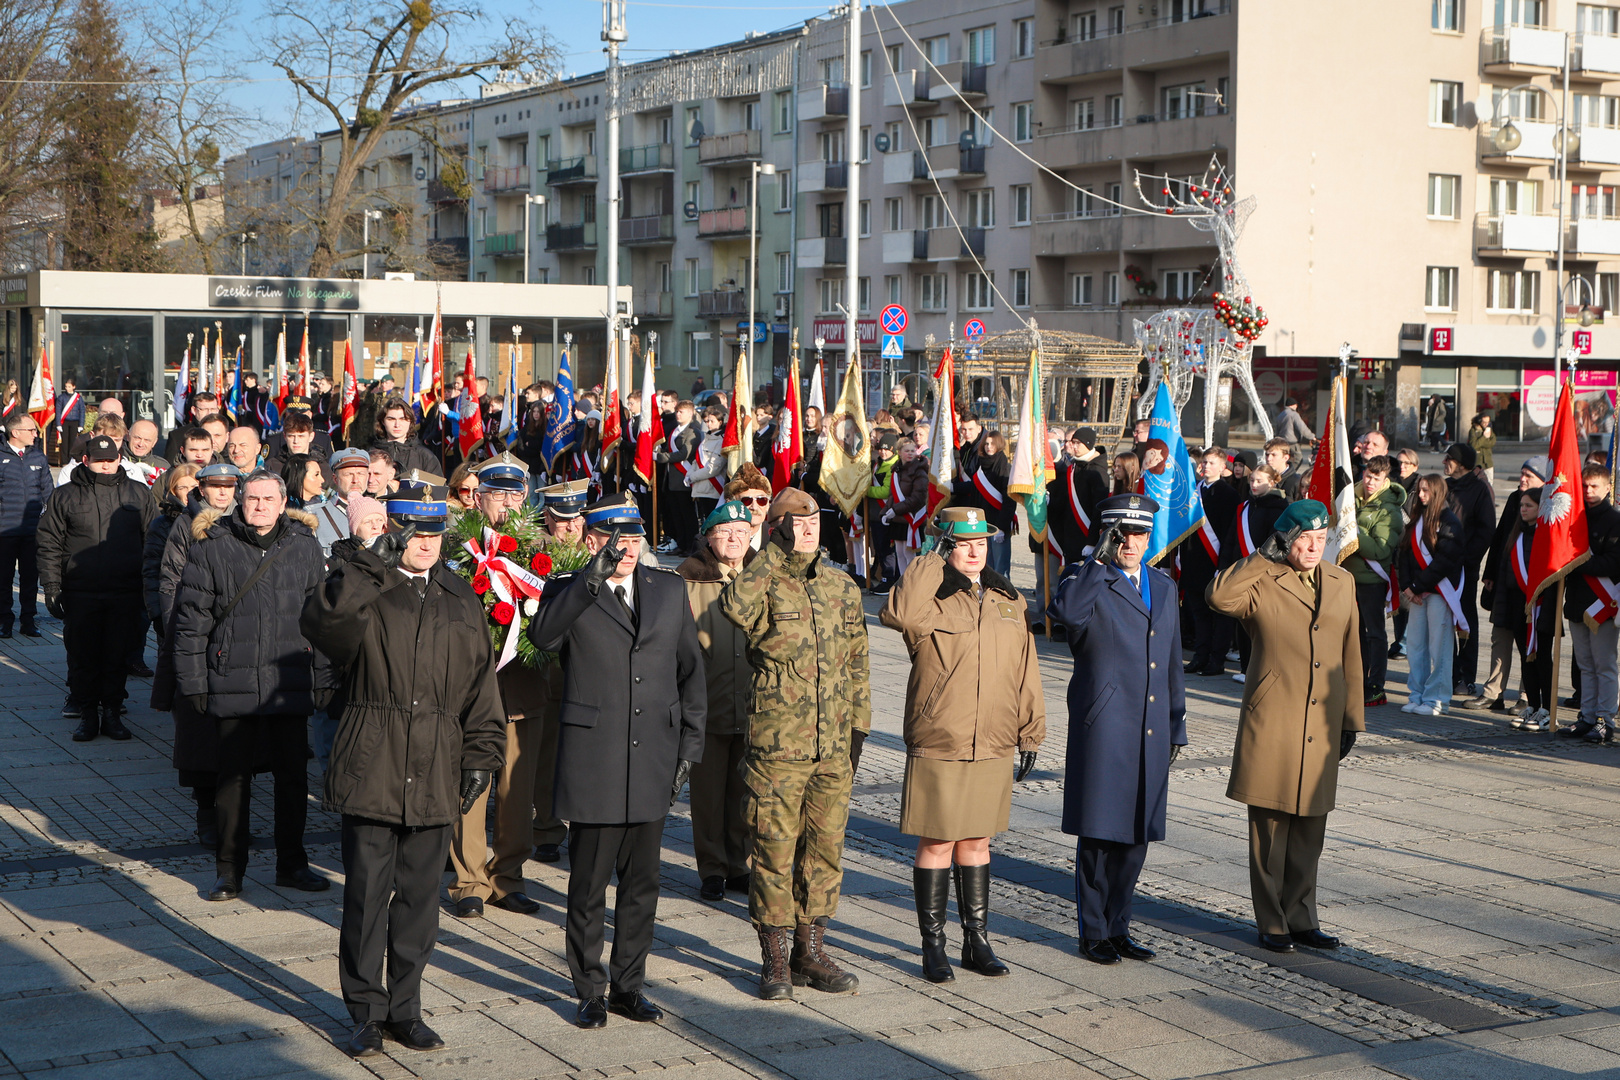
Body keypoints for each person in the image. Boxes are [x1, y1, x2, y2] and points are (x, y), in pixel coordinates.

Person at [299, 486, 505, 1059]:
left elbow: (481, 688)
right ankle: (364, 1012)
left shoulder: (461, 597)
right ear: (395, 531)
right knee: (366, 898)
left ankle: (405, 1009)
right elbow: (324, 622)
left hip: (437, 765)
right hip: (374, 762)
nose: (426, 545)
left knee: (419, 899)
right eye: (415, 533)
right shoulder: (367, 586)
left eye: (435, 534)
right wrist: (370, 563)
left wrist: (483, 755)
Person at [528, 494, 705, 1028]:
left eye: (632, 539)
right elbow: (543, 637)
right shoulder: (569, 591)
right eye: (613, 538)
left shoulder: (668, 587)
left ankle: (629, 985)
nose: (625, 548)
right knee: (587, 885)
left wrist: (690, 747)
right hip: (596, 759)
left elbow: (689, 670)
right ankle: (589, 987)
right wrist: (590, 579)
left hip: (653, 754)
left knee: (642, 884)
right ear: (591, 540)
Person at [881, 506, 1045, 982]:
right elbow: (899, 613)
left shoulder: (1007, 596)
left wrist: (1030, 728)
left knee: (977, 840)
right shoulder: (929, 596)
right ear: (945, 546)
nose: (975, 552)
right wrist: (931, 557)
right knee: (937, 840)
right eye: (962, 544)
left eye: (981, 543)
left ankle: (977, 940)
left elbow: (1025, 667)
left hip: (993, 738)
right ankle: (933, 946)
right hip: (941, 735)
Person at [720, 488, 870, 1000]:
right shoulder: (762, 581)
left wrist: (859, 732)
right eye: (796, 524)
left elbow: (857, 663)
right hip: (778, 748)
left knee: (825, 852)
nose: (809, 530)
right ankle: (775, 958)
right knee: (774, 852)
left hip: (832, 748)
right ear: (780, 528)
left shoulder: (841, 586)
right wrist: (770, 552)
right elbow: (732, 607)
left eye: (814, 523)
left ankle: (811, 949)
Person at [1207, 499, 1363, 953]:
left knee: (1311, 828)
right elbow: (1219, 597)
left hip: (1322, 719)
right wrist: (1261, 556)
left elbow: (1350, 651)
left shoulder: (1341, 581)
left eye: (1321, 538)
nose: (1314, 547)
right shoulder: (1262, 581)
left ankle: (1302, 917)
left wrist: (1351, 717)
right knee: (1271, 828)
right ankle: (1272, 921)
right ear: (1285, 541)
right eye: (1304, 539)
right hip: (1274, 718)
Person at [171, 470, 331, 902]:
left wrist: (324, 678)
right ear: (239, 500)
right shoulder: (213, 546)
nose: (259, 505)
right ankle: (229, 871)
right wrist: (193, 682)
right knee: (233, 781)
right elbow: (190, 624)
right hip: (231, 679)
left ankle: (292, 864)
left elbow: (323, 621)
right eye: (251, 498)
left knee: (293, 780)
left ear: (283, 503)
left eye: (267, 499)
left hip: (287, 682)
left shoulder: (303, 547)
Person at [1048, 494, 1185, 964]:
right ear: (1108, 535)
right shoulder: (1084, 579)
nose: (1133, 543)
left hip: (1149, 726)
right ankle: (1094, 932)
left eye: (1141, 534)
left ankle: (1120, 926)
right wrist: (1097, 560)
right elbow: (1065, 614)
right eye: (1123, 534)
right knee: (1102, 834)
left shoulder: (1162, 586)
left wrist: (1176, 724)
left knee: (1136, 836)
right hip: (1105, 723)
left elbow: (1170, 662)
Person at [447, 455, 556, 918]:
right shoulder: (460, 546)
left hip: (523, 688)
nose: (508, 504)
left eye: (516, 495)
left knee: (517, 790)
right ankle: (468, 879)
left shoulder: (544, 551)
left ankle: (508, 876)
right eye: (498, 494)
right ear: (479, 497)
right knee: (470, 788)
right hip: (471, 692)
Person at [36, 435, 156, 741]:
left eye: (110, 459)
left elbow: (153, 544)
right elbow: (49, 543)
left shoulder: (138, 493)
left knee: (117, 655)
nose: (105, 465)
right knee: (83, 655)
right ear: (86, 460)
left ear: (119, 460)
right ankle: (87, 713)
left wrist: (150, 587)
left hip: (125, 591)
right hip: (81, 591)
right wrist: (51, 586)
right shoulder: (65, 495)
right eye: (98, 460)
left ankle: (113, 713)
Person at [678, 500, 757, 902]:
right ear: (710, 536)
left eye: (742, 533)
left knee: (743, 792)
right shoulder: (688, 579)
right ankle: (711, 868)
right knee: (707, 796)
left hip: (753, 706)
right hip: (706, 705)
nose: (734, 539)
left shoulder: (763, 577)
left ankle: (738, 864)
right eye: (725, 532)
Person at [528, 479, 588, 863]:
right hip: (548, 668)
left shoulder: (597, 551)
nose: (570, 527)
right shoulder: (533, 554)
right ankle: (547, 827)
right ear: (547, 518)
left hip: (588, 670)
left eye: (576, 519)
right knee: (547, 751)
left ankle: (587, 825)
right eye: (561, 519)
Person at [1471, 457, 1550, 712]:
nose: (1522, 479)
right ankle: (1494, 692)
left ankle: (1527, 696)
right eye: (1522, 473)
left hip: (1531, 589)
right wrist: (1490, 573)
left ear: (1542, 481)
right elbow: (1501, 537)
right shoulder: (1516, 499)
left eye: (1529, 475)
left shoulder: (1546, 508)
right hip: (1506, 581)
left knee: (1529, 644)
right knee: (1500, 637)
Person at [1394, 474, 1467, 715]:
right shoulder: (1416, 520)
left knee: (1439, 648)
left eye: (1426, 491)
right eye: (1420, 490)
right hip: (1417, 593)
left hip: (1437, 593)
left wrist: (1416, 587)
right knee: (1416, 646)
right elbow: (1403, 554)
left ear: (1438, 493)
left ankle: (1437, 699)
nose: (1421, 495)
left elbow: (1444, 562)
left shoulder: (1450, 522)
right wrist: (1407, 586)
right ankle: (1417, 694)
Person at [1557, 464, 1620, 743]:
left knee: (1604, 664)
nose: (1589, 491)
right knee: (1584, 664)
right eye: (1584, 486)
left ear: (1608, 488)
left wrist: (1580, 563)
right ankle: (1587, 716)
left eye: (1595, 486)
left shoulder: (1615, 521)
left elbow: (1614, 562)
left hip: (1602, 605)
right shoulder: (1574, 518)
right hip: (1578, 602)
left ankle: (1606, 720)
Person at [1342, 456, 1406, 707]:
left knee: (1374, 633)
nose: (1370, 482)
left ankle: (1376, 685)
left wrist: (1353, 533)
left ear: (1385, 480)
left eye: (1376, 479)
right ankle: (1356, 680)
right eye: (1368, 476)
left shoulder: (1389, 509)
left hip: (1371, 579)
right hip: (1347, 577)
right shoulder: (1348, 498)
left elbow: (1380, 551)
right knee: (1352, 634)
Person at [1493, 488, 1558, 732]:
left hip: (1540, 607)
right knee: (1526, 657)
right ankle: (1533, 704)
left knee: (1542, 658)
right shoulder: (1517, 534)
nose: (1523, 509)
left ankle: (1548, 710)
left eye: (1529, 505)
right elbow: (1506, 569)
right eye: (1522, 505)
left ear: (1541, 508)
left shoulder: (1546, 535)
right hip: (1517, 605)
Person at [1218, 464, 1290, 684]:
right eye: (1252, 481)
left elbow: (1275, 542)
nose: (1254, 485)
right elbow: (1231, 540)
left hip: (1264, 573)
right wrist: (1223, 567)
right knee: (1244, 620)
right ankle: (1246, 667)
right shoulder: (1245, 507)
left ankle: (1263, 669)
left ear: (1273, 481)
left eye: (1260, 481)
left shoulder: (1280, 508)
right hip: (1241, 571)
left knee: (1264, 623)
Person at [1443, 442, 1496, 699]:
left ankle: (1465, 677)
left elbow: (1486, 530)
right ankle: (1446, 674)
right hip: (1440, 566)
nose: (1445, 462)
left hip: (1464, 568)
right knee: (1442, 622)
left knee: (1464, 621)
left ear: (1462, 463)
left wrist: (1466, 558)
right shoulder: (1444, 486)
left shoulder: (1479, 490)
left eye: (1449, 459)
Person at [1182, 446, 1240, 676]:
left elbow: (1229, 533)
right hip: (1194, 561)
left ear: (1222, 467)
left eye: (1212, 463)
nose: (1206, 466)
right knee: (1199, 614)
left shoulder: (1229, 495)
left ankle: (1216, 660)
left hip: (1216, 562)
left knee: (1218, 615)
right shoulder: (1193, 492)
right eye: (1204, 462)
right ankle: (1200, 656)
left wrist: (1223, 564)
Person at [0, 411, 52, 638]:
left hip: (33, 531)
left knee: (30, 579)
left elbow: (49, 494)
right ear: (15, 432)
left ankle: (28, 621)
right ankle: (5, 621)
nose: (35, 433)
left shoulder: (38, 457)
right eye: (31, 429)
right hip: (5, 531)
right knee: (3, 579)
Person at [305, 448, 373, 557]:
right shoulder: (313, 515)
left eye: (360, 474)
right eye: (348, 474)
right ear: (335, 479)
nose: (355, 480)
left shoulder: (381, 514)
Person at [375, 397, 440, 477]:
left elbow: (439, 488)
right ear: (383, 422)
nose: (397, 425)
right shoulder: (371, 454)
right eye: (391, 419)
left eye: (403, 419)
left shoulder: (425, 457)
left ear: (410, 422)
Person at [1469, 413, 1497, 488]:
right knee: (1476, 484)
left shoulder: (1489, 429)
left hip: (1488, 462)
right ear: (1479, 421)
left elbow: (1492, 442)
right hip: (1478, 462)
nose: (1486, 424)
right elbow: (1474, 445)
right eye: (1484, 422)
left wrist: (1481, 442)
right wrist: (1484, 437)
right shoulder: (1473, 431)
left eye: (1488, 422)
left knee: (1489, 483)